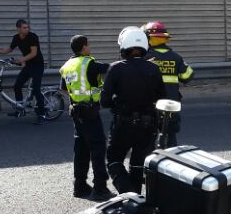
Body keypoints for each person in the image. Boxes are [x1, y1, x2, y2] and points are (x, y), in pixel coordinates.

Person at [102, 27, 166, 195]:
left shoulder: (116, 68)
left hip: (123, 125)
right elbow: (163, 97)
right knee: (137, 165)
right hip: (148, 126)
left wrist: (118, 101)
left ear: (123, 45)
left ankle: (129, 196)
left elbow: (104, 101)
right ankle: (136, 201)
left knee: (114, 161)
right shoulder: (154, 68)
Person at [60, 35, 111, 200]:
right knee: (98, 147)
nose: (90, 48)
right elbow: (110, 68)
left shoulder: (67, 66)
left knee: (81, 148)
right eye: (88, 45)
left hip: (76, 112)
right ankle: (100, 188)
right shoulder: (89, 63)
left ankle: (79, 186)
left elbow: (64, 88)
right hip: (89, 112)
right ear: (83, 47)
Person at [142, 21, 193, 148]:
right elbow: (187, 76)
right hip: (171, 105)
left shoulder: (146, 58)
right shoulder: (176, 57)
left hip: (151, 105)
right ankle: (171, 163)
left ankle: (151, 163)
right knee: (171, 138)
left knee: (149, 138)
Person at [0, 19, 46, 125]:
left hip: (38, 65)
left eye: (27, 27)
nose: (27, 29)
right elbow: (9, 50)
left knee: (36, 89)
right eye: (24, 28)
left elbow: (34, 53)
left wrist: (21, 60)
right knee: (17, 86)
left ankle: (42, 115)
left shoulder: (33, 37)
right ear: (18, 29)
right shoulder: (16, 38)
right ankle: (20, 110)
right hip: (28, 65)